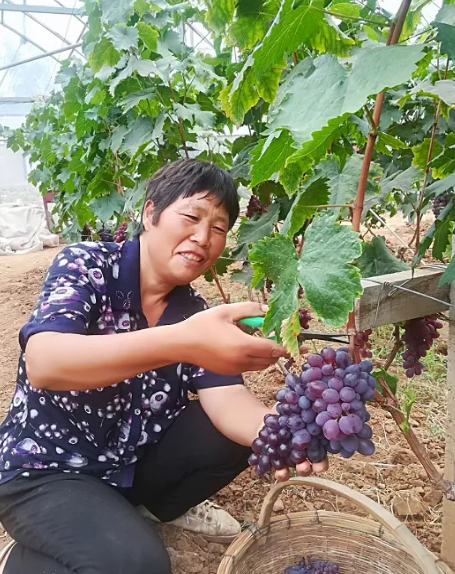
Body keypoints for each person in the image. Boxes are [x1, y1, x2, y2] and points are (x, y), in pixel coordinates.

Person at [0, 159, 328, 574]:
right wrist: (183, 340)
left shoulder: (192, 309)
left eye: (219, 228)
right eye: (191, 217)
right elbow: (45, 363)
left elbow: (228, 398)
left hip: (126, 466)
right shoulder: (88, 265)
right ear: (150, 213)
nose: (203, 238)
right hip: (47, 470)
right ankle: (24, 559)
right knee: (138, 565)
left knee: (235, 437)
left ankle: (137, 515)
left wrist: (286, 433)